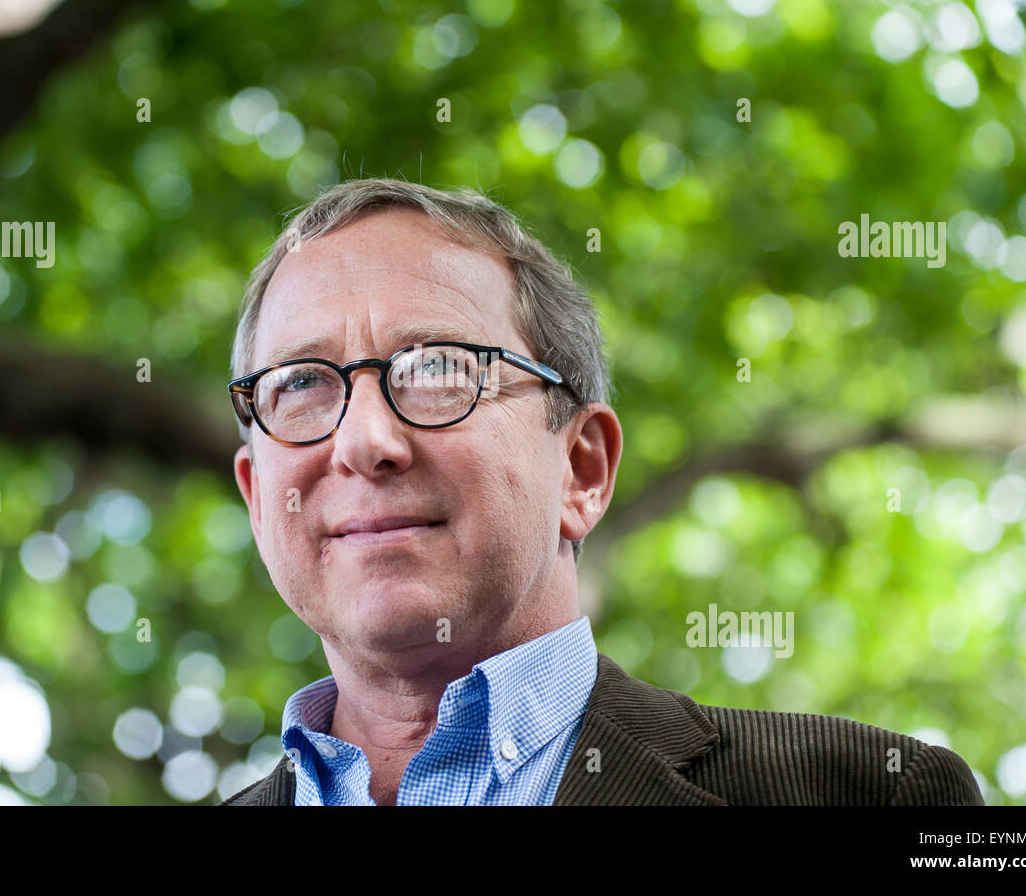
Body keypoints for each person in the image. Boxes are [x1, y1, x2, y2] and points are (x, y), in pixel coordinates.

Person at [220, 178, 983, 806]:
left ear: (581, 469)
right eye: (303, 385)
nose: (364, 442)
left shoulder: (869, 794)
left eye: (439, 369)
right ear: (258, 500)